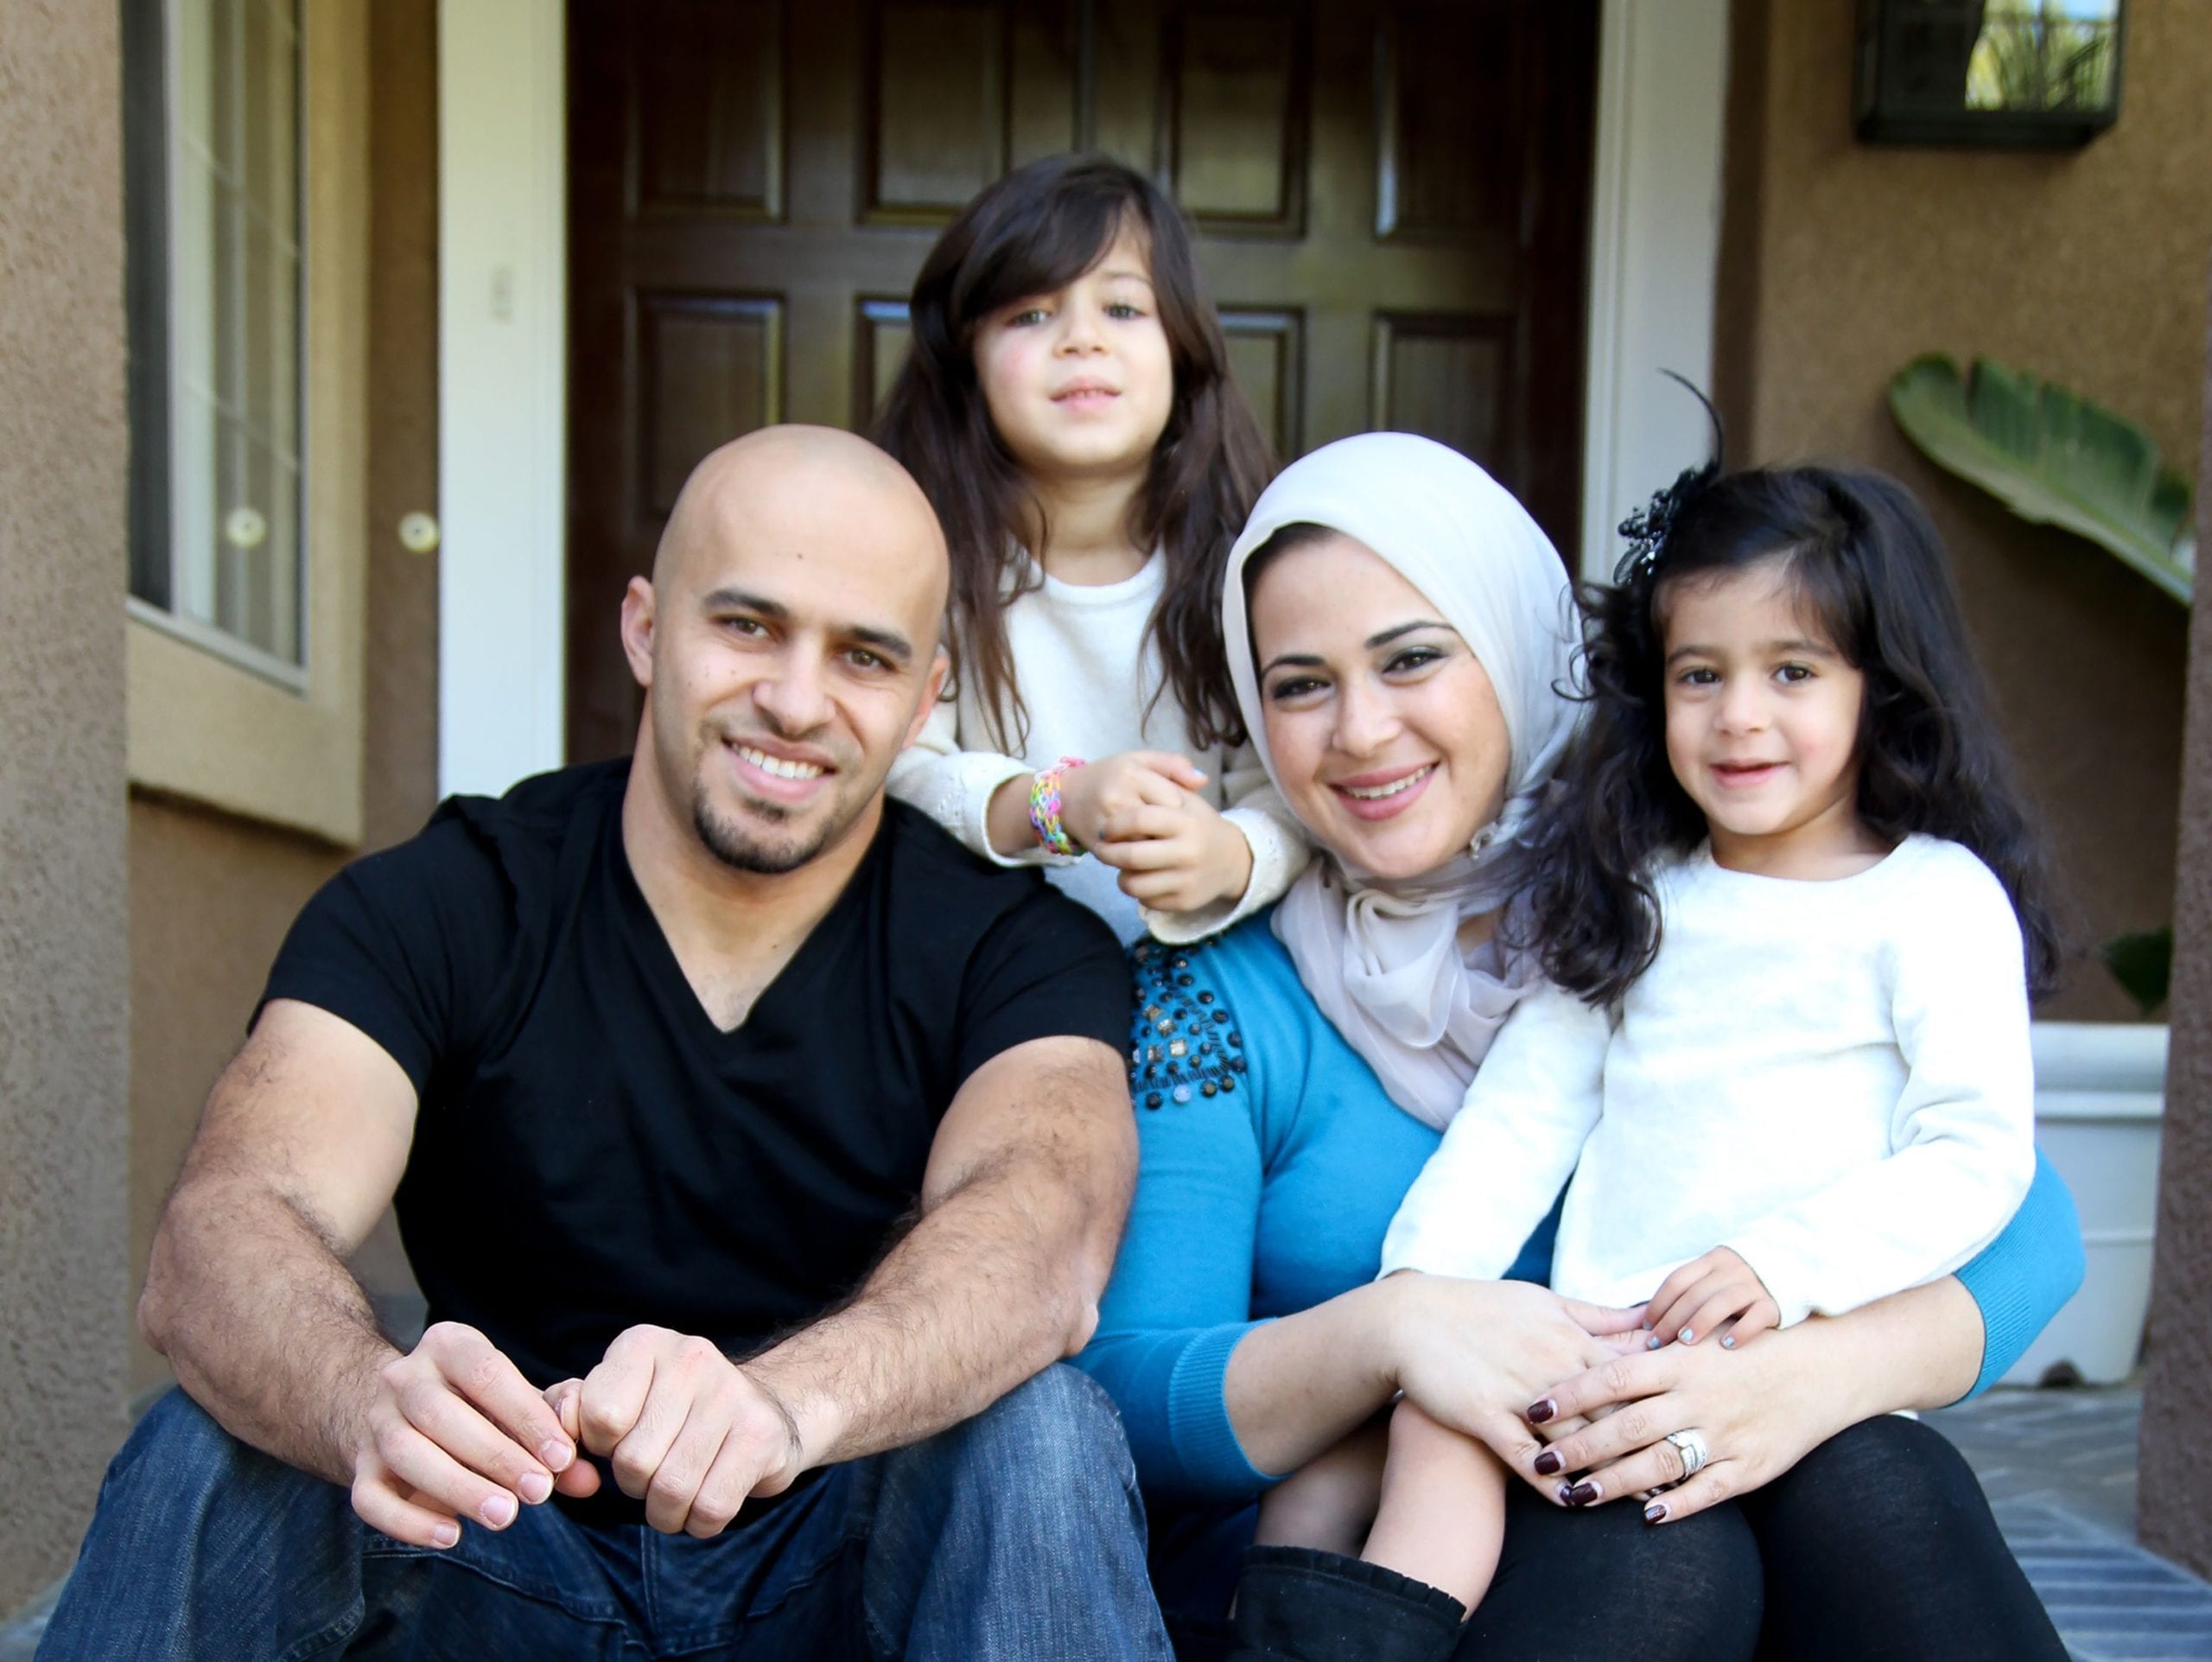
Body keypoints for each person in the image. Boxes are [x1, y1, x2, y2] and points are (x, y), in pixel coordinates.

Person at [39, 427, 1173, 1662]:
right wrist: (367, 1399)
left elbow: (1044, 1230)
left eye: (862, 654)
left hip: (833, 1547)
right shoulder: (449, 899)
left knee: (1040, 1431)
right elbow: (221, 1229)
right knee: (225, 1430)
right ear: (644, 628)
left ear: (924, 695)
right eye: (745, 625)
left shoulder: (1014, 945)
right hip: (489, 1532)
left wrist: (781, 1406)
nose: (796, 699)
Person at [1075, 433, 2082, 1662]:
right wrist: (1403, 1328)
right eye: (1299, 683)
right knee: (1670, 1538)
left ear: (1514, 646)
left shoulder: (1621, 889)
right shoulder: (1227, 981)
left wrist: (1796, 1379)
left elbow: (2020, 1204)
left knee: (1875, 1470)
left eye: (1412, 658)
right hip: (1385, 1540)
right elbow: (1125, 1393)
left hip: (1715, 1433)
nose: (1361, 728)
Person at [877, 153, 1307, 946]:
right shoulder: (925, 558)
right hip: (986, 958)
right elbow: (903, 775)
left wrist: (1235, 853)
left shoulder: (1248, 565)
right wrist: (1055, 803)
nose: (1081, 340)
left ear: (1183, 346)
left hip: (1215, 969)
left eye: (1122, 308)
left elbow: (1300, 789)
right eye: (1031, 315)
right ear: (966, 359)